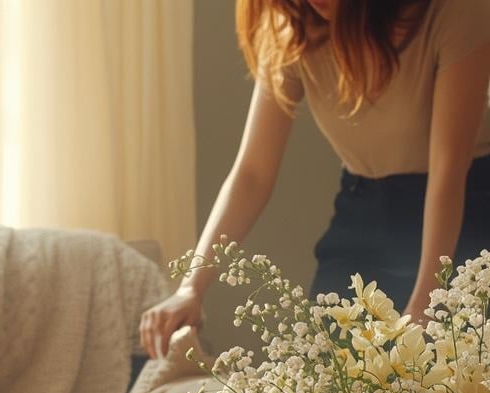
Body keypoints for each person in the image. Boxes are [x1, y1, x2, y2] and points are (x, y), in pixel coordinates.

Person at [140, 0, 490, 359]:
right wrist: (191, 288)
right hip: (363, 209)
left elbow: (449, 170)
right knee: (327, 378)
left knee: (450, 390)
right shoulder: (291, 31)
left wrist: (426, 303)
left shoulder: (457, 11)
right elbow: (252, 174)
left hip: (466, 211)